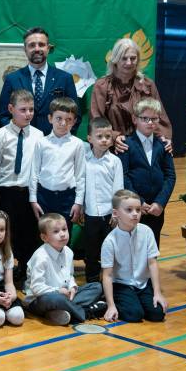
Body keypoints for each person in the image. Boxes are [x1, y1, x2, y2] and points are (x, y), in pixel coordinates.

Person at [0, 89, 43, 285]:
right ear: (11, 109)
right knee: (7, 234)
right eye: (23, 110)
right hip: (6, 191)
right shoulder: (1, 135)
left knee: (28, 235)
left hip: (28, 192)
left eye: (31, 109)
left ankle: (25, 270)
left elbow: (38, 167)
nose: (28, 114)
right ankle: (3, 271)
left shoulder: (38, 135)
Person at [90, 37, 172, 153]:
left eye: (133, 58)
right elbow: (96, 120)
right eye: (124, 58)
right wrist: (113, 137)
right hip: (112, 148)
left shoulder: (147, 85)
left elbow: (159, 115)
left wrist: (164, 138)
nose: (129, 63)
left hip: (144, 148)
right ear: (115, 60)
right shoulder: (102, 86)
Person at [24, 214, 106, 325]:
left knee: (97, 287)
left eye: (64, 229)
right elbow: (36, 288)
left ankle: (57, 313)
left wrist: (72, 287)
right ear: (44, 238)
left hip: (65, 295)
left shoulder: (68, 252)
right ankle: (86, 312)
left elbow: (70, 275)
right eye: (56, 231)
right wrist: (58, 291)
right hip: (41, 299)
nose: (62, 234)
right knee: (56, 299)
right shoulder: (40, 257)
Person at [0, 27, 78, 135]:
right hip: (22, 141)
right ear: (25, 49)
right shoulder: (12, 79)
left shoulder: (64, 78)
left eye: (41, 44)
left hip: (56, 142)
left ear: (48, 48)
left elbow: (75, 116)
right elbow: (2, 116)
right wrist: (19, 137)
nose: (37, 49)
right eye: (32, 45)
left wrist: (59, 139)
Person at [102, 190, 168, 323]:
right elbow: (107, 275)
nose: (135, 214)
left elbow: (152, 263)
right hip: (122, 284)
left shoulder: (147, 232)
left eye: (138, 210)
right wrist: (111, 305)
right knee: (134, 315)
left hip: (142, 284)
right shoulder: (110, 241)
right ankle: (105, 301)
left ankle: (136, 299)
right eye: (129, 210)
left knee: (157, 314)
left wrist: (157, 293)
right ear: (115, 213)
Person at [118, 98, 176, 248]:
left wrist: (160, 202)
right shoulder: (126, 144)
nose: (150, 122)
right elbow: (123, 176)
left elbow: (170, 176)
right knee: (132, 247)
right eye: (145, 118)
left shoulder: (163, 145)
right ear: (135, 119)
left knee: (152, 246)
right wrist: (139, 202)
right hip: (134, 208)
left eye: (154, 119)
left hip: (156, 208)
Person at [29, 97, 86, 233]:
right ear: (50, 118)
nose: (63, 123)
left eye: (68, 119)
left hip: (67, 198)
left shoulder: (77, 144)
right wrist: (33, 199)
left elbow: (80, 175)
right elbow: (34, 172)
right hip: (43, 197)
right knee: (44, 234)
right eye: (59, 118)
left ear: (74, 121)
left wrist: (78, 202)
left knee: (63, 235)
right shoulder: (41, 142)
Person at [83, 117, 124, 283]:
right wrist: (81, 207)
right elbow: (81, 185)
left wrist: (116, 212)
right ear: (90, 138)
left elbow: (118, 189)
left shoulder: (115, 161)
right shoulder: (84, 160)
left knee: (110, 250)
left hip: (109, 215)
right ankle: (92, 282)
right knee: (91, 251)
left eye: (108, 136)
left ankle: (112, 282)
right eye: (99, 136)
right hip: (90, 214)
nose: (104, 140)